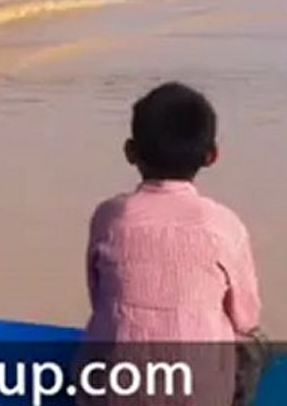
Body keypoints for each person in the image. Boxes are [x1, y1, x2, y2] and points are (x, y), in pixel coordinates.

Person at [82, 82, 262, 406]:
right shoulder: (223, 225)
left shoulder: (109, 218)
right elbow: (245, 317)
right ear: (212, 156)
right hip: (198, 396)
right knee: (253, 345)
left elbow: (98, 297)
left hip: (110, 395)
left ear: (130, 151)